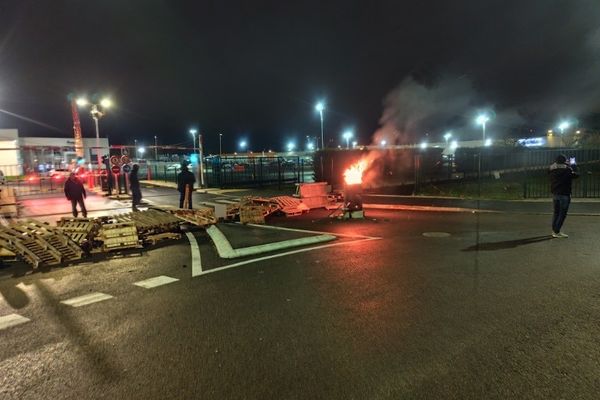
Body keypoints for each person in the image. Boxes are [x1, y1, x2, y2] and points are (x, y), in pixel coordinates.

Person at [548, 154, 578, 238]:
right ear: (565, 161)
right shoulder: (567, 169)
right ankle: (556, 231)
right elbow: (576, 175)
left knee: (556, 212)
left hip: (555, 193)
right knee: (562, 213)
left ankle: (554, 230)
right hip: (565, 194)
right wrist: (573, 165)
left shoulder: (552, 169)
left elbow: (548, 172)